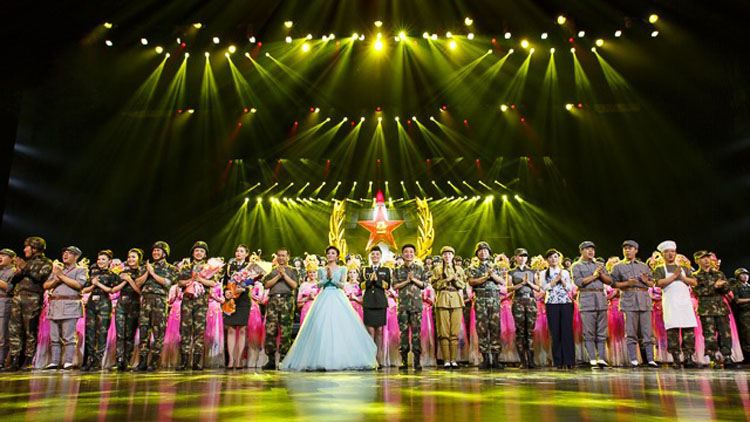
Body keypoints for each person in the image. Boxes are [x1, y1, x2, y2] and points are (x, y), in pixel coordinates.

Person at [280, 246, 377, 371]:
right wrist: (327, 278)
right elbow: (319, 284)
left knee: (340, 327)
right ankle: (319, 359)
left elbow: (342, 285)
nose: (330, 255)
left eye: (333, 253)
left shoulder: (342, 268)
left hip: (338, 296)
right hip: (324, 296)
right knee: (321, 326)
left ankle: (341, 358)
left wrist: (332, 279)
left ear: (337, 256)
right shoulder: (321, 269)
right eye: (328, 253)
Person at [7, 237, 52, 371]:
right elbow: (13, 281)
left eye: (26, 247)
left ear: (34, 249)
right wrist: (18, 272)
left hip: (32, 298)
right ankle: (14, 360)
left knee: (30, 330)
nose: (24, 250)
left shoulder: (46, 262)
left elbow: (39, 278)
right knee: (14, 329)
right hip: (18, 297)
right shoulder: (26, 263)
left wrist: (24, 268)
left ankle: (27, 360)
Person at [651, 241, 698, 368]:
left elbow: (694, 282)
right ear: (662, 255)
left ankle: (688, 358)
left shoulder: (684, 268)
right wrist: (674, 276)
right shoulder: (660, 269)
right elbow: (659, 283)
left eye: (672, 251)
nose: (670, 254)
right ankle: (676, 358)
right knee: (673, 331)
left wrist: (682, 278)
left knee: (688, 330)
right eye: (667, 252)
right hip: (671, 303)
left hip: (685, 303)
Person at [611, 240, 657, 367]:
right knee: (631, 332)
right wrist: (627, 283)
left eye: (630, 248)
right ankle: (633, 359)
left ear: (636, 250)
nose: (627, 250)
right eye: (625, 248)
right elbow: (613, 283)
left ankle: (650, 359)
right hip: (629, 300)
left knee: (647, 332)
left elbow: (652, 283)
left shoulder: (644, 266)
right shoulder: (618, 267)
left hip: (644, 300)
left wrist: (646, 281)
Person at [43, 246, 87, 370]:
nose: (65, 255)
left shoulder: (80, 270)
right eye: (64, 253)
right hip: (55, 305)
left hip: (70, 306)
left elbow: (79, 285)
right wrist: (55, 280)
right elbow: (46, 285)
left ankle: (68, 361)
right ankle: (54, 361)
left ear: (76, 256)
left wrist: (61, 277)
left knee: (69, 336)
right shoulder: (58, 270)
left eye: (69, 253)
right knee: (54, 337)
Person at [135, 241, 177, 371]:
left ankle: (153, 361)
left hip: (160, 301)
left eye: (158, 250)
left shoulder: (171, 268)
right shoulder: (146, 267)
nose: (155, 252)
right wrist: (147, 272)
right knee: (143, 330)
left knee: (158, 332)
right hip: (146, 300)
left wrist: (153, 273)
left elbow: (167, 283)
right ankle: (142, 361)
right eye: (154, 250)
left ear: (165, 253)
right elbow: (138, 283)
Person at [571, 241, 612, 368]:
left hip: (600, 299)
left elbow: (609, 281)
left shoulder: (599, 265)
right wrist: (594, 276)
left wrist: (601, 274)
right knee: (589, 332)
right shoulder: (576, 266)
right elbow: (579, 282)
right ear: (581, 251)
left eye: (592, 249)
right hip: (587, 299)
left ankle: (601, 358)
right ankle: (592, 358)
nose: (591, 251)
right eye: (587, 249)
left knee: (602, 331)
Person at [692, 250, 735, 368]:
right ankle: (713, 358)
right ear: (697, 261)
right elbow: (698, 292)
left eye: (708, 257)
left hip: (721, 308)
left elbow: (727, 290)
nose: (707, 260)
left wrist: (724, 286)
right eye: (703, 258)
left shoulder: (718, 274)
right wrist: (714, 286)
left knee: (725, 334)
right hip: (706, 309)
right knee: (709, 335)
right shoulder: (695, 276)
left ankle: (727, 357)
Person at [81, 250, 119, 371]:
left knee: (102, 332)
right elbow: (85, 289)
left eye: (103, 259)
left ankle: (98, 360)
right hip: (92, 303)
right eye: (99, 259)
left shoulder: (112, 275)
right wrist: (93, 285)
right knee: (90, 332)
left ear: (109, 261)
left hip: (104, 303)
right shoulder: (93, 273)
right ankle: (89, 360)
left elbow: (112, 290)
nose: (100, 261)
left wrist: (98, 284)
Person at [261, 247, 299, 370]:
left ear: (288, 257)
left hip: (287, 301)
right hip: (273, 301)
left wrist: (284, 275)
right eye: (279, 255)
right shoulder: (271, 270)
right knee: (270, 330)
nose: (281, 258)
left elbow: (294, 285)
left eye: (283, 255)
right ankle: (271, 360)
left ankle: (284, 359)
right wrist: (278, 276)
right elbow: (266, 285)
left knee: (286, 331)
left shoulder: (293, 270)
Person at [468, 242, 504, 369]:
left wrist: (492, 275)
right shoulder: (473, 268)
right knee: (482, 329)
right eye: (480, 251)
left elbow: (501, 281)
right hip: (481, 300)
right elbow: (471, 282)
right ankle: (485, 359)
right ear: (477, 253)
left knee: (495, 328)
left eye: (485, 250)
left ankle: (496, 358)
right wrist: (485, 277)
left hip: (494, 299)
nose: (483, 252)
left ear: (489, 253)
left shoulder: (495, 267)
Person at [393, 244, 427, 370]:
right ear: (402, 254)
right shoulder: (398, 270)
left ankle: (417, 361)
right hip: (403, 305)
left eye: (411, 252)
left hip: (416, 305)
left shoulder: (420, 269)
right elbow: (394, 286)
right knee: (403, 333)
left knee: (416, 333)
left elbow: (424, 284)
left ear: (414, 254)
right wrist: (407, 281)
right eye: (406, 252)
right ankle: (404, 360)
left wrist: (413, 280)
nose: (408, 254)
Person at [540, 249, 575, 369]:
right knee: (555, 332)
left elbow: (570, 288)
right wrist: (555, 281)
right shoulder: (544, 273)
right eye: (550, 257)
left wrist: (563, 281)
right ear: (547, 260)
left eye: (555, 257)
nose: (553, 259)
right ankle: (558, 361)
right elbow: (544, 287)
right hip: (552, 303)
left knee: (567, 331)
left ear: (559, 259)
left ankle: (569, 360)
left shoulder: (565, 272)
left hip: (565, 302)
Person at [432, 246, 465, 369]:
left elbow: (463, 284)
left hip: (456, 299)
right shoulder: (438, 269)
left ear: (453, 256)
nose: (447, 256)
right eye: (445, 254)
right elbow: (435, 285)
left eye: (449, 254)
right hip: (443, 298)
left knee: (454, 331)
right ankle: (446, 360)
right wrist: (447, 280)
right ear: (442, 256)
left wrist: (455, 280)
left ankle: (453, 360)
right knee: (443, 331)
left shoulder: (459, 269)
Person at [112, 248, 144, 370]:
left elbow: (140, 291)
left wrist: (130, 280)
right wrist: (124, 280)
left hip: (134, 305)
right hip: (121, 304)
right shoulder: (122, 272)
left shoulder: (141, 273)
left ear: (139, 259)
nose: (130, 259)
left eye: (133, 257)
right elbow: (114, 289)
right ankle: (119, 361)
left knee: (130, 334)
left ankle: (127, 361)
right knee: (120, 334)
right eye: (129, 257)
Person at [508, 248, 541, 368]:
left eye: (524, 256)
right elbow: (508, 288)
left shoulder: (532, 271)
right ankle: (523, 361)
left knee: (530, 331)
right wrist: (521, 284)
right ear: (515, 258)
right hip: (518, 300)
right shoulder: (512, 272)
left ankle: (531, 361)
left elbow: (538, 288)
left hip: (530, 301)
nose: (522, 258)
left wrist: (528, 283)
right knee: (520, 331)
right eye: (520, 256)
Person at [361, 247, 391, 368]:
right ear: (370, 256)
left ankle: (378, 359)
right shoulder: (365, 270)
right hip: (369, 302)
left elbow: (387, 285)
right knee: (370, 331)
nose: (375, 256)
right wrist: (370, 280)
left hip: (380, 303)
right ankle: (370, 359)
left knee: (379, 331)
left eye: (377, 254)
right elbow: (362, 285)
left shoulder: (385, 270)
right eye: (373, 254)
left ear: (380, 256)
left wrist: (377, 279)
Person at [223, 245, 251, 369]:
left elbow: (253, 281)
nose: (238, 253)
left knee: (242, 330)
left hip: (243, 300)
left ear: (246, 254)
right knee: (231, 329)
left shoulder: (249, 267)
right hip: (231, 300)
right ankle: (231, 360)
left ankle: (239, 359)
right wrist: (226, 292)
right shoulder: (230, 267)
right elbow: (225, 282)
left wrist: (244, 288)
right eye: (237, 251)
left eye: (241, 251)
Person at [0, 249, 17, 369]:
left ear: (12, 259)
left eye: (4, 255)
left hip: (4, 302)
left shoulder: (14, 272)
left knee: (2, 334)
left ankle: (1, 360)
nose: (0, 257)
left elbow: (10, 288)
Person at [731, 268, 750, 362]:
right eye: (742, 274)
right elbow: (736, 300)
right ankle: (747, 355)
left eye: (746, 274)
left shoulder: (749, 286)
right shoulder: (736, 287)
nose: (745, 276)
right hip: (743, 313)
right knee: (746, 334)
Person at [297, 256, 320, 326]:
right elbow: (298, 301)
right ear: (307, 273)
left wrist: (315, 298)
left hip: (318, 310)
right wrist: (308, 298)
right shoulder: (303, 285)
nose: (312, 274)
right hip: (306, 310)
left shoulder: (320, 285)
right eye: (310, 272)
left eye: (314, 272)